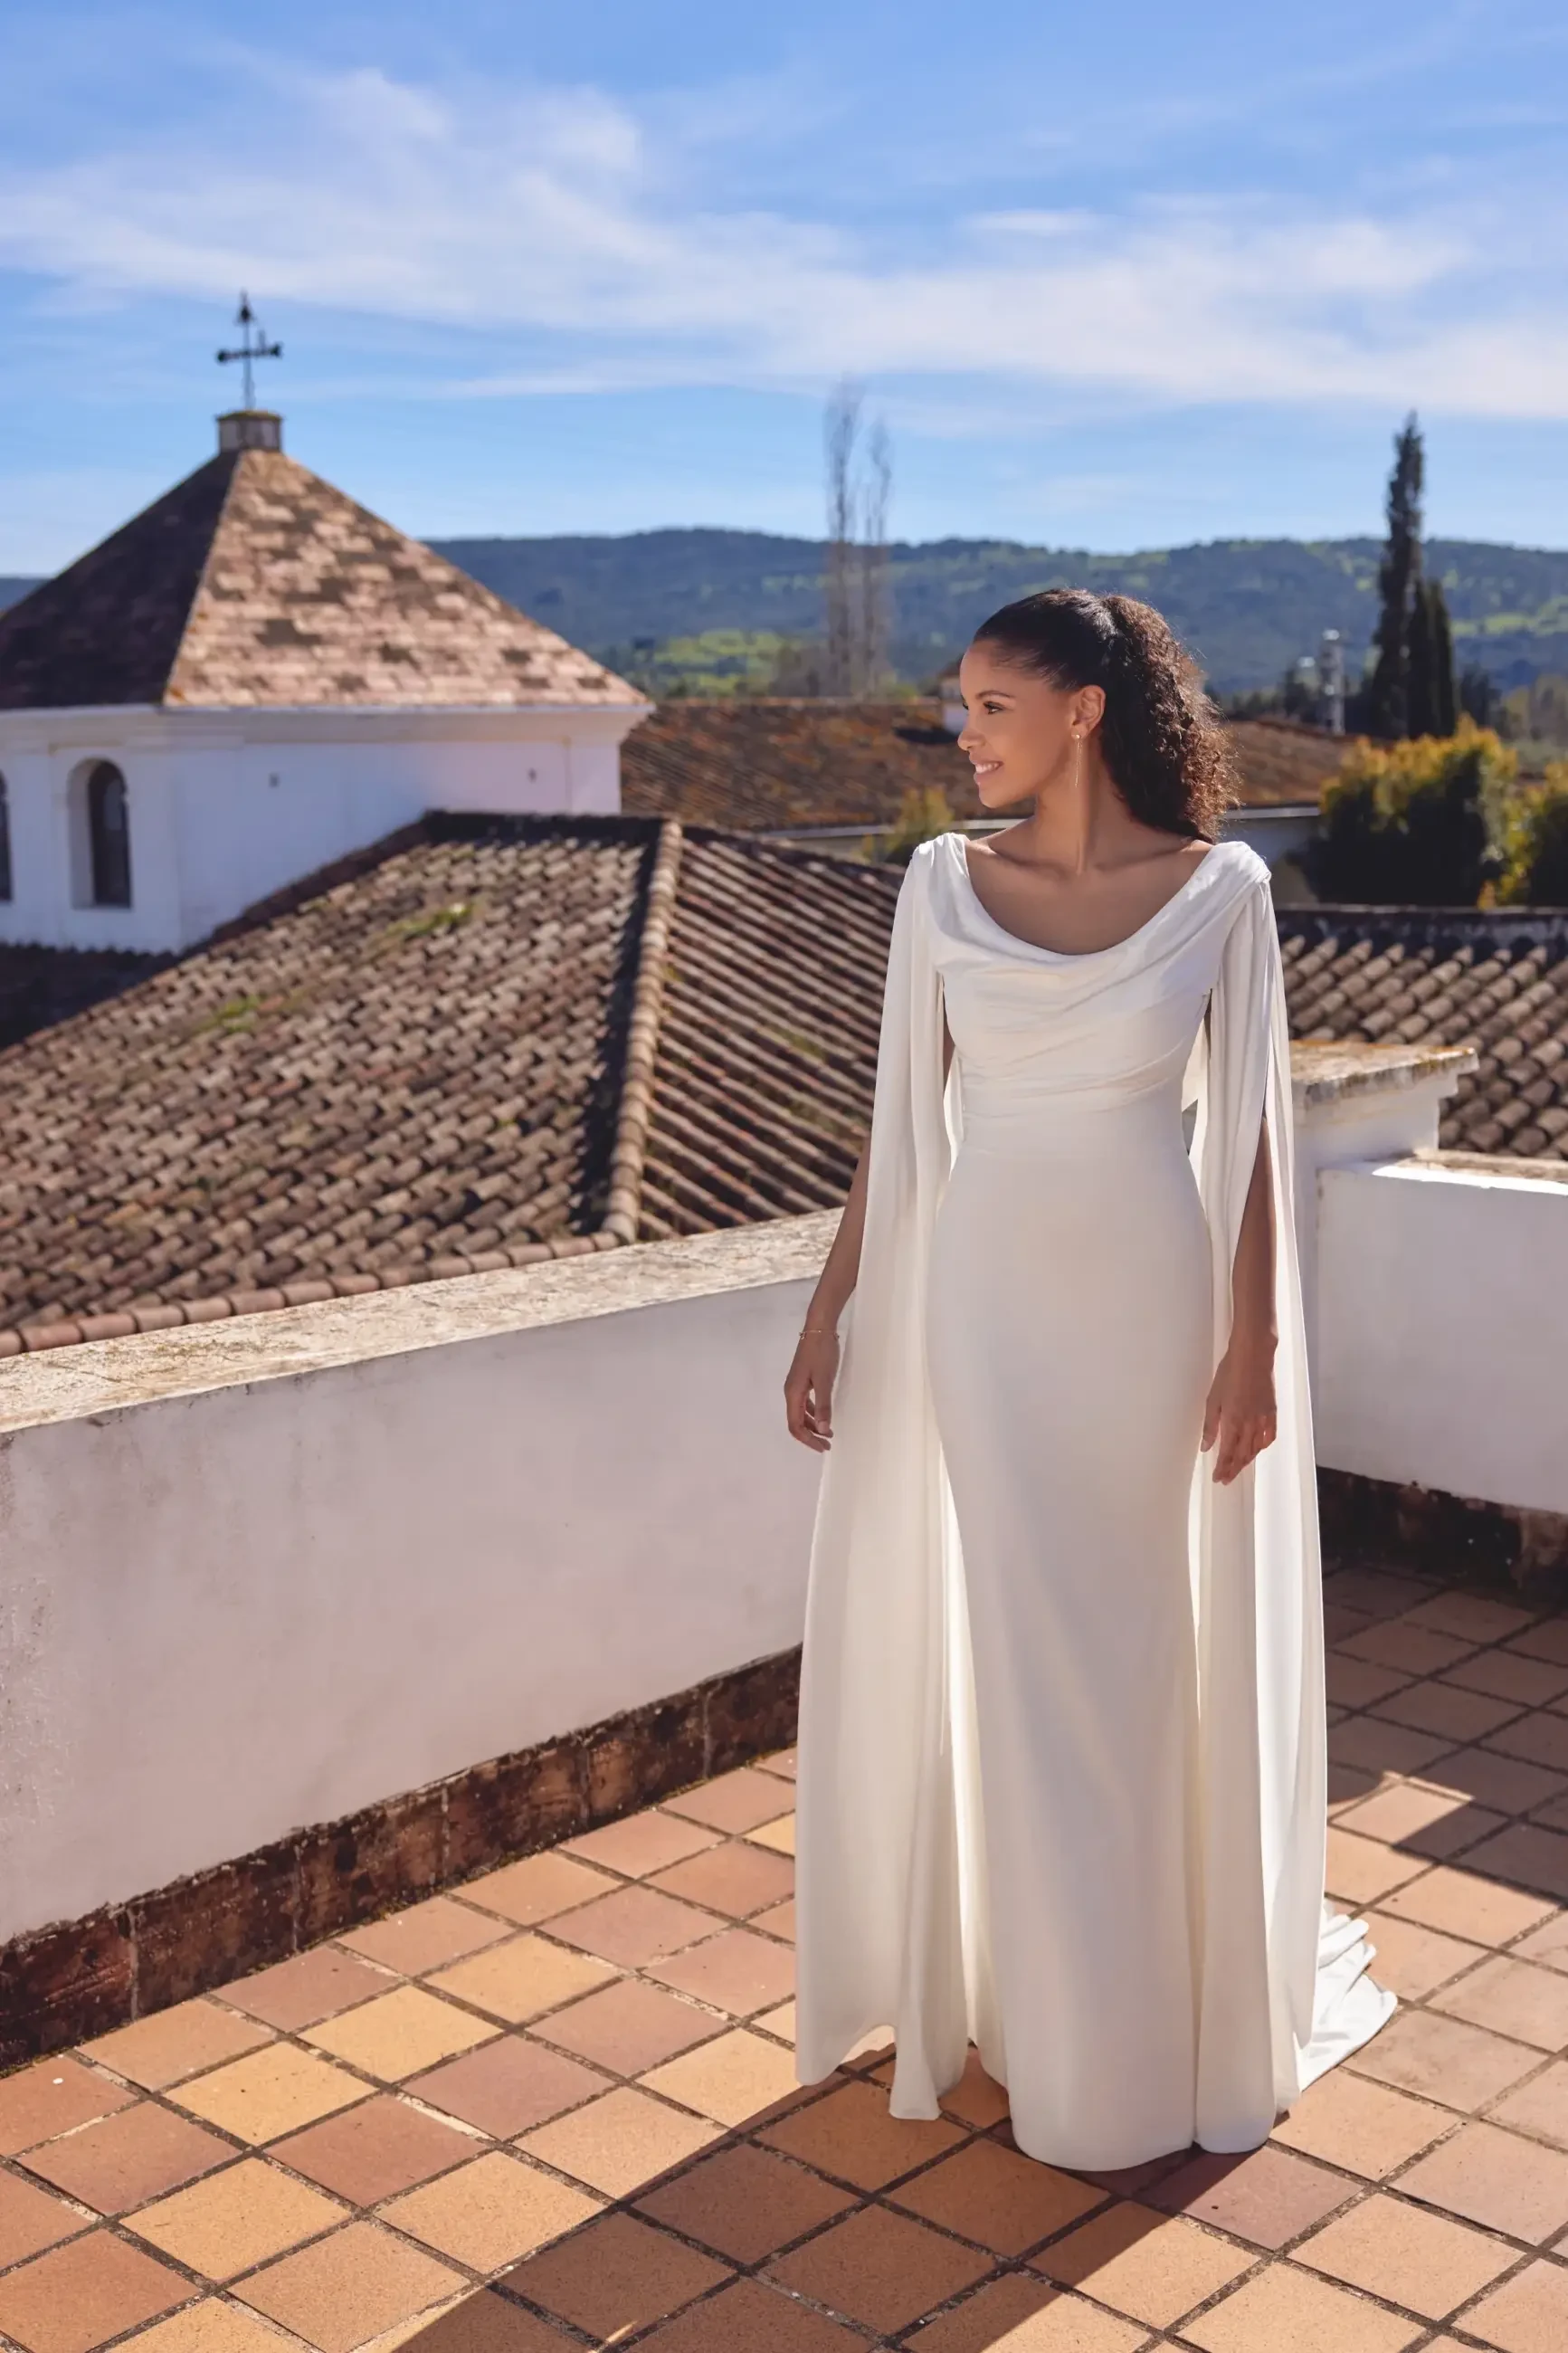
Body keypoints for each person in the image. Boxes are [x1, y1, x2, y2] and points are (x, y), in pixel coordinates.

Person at [784, 588, 1392, 2170]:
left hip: (1148, 1309)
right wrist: (833, 1308)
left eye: (990, 706)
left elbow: (1252, 1138)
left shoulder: (1221, 891)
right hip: (980, 1310)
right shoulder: (939, 885)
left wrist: (1253, 1337)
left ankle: (1129, 2043)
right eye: (960, 704)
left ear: (1085, 713)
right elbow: (894, 1129)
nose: (962, 734)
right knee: (1011, 1653)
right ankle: (1036, 2011)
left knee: (1126, 1659)